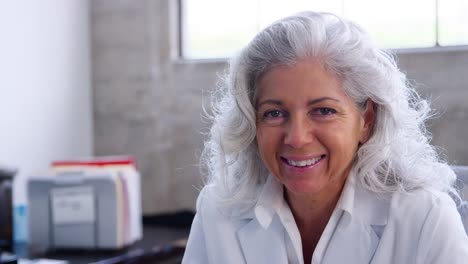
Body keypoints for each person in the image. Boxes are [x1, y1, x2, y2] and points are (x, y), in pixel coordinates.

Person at [182, 11, 468, 264]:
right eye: (274, 113)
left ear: (366, 120)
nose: (296, 138)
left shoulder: (426, 218)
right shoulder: (218, 209)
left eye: (323, 110)